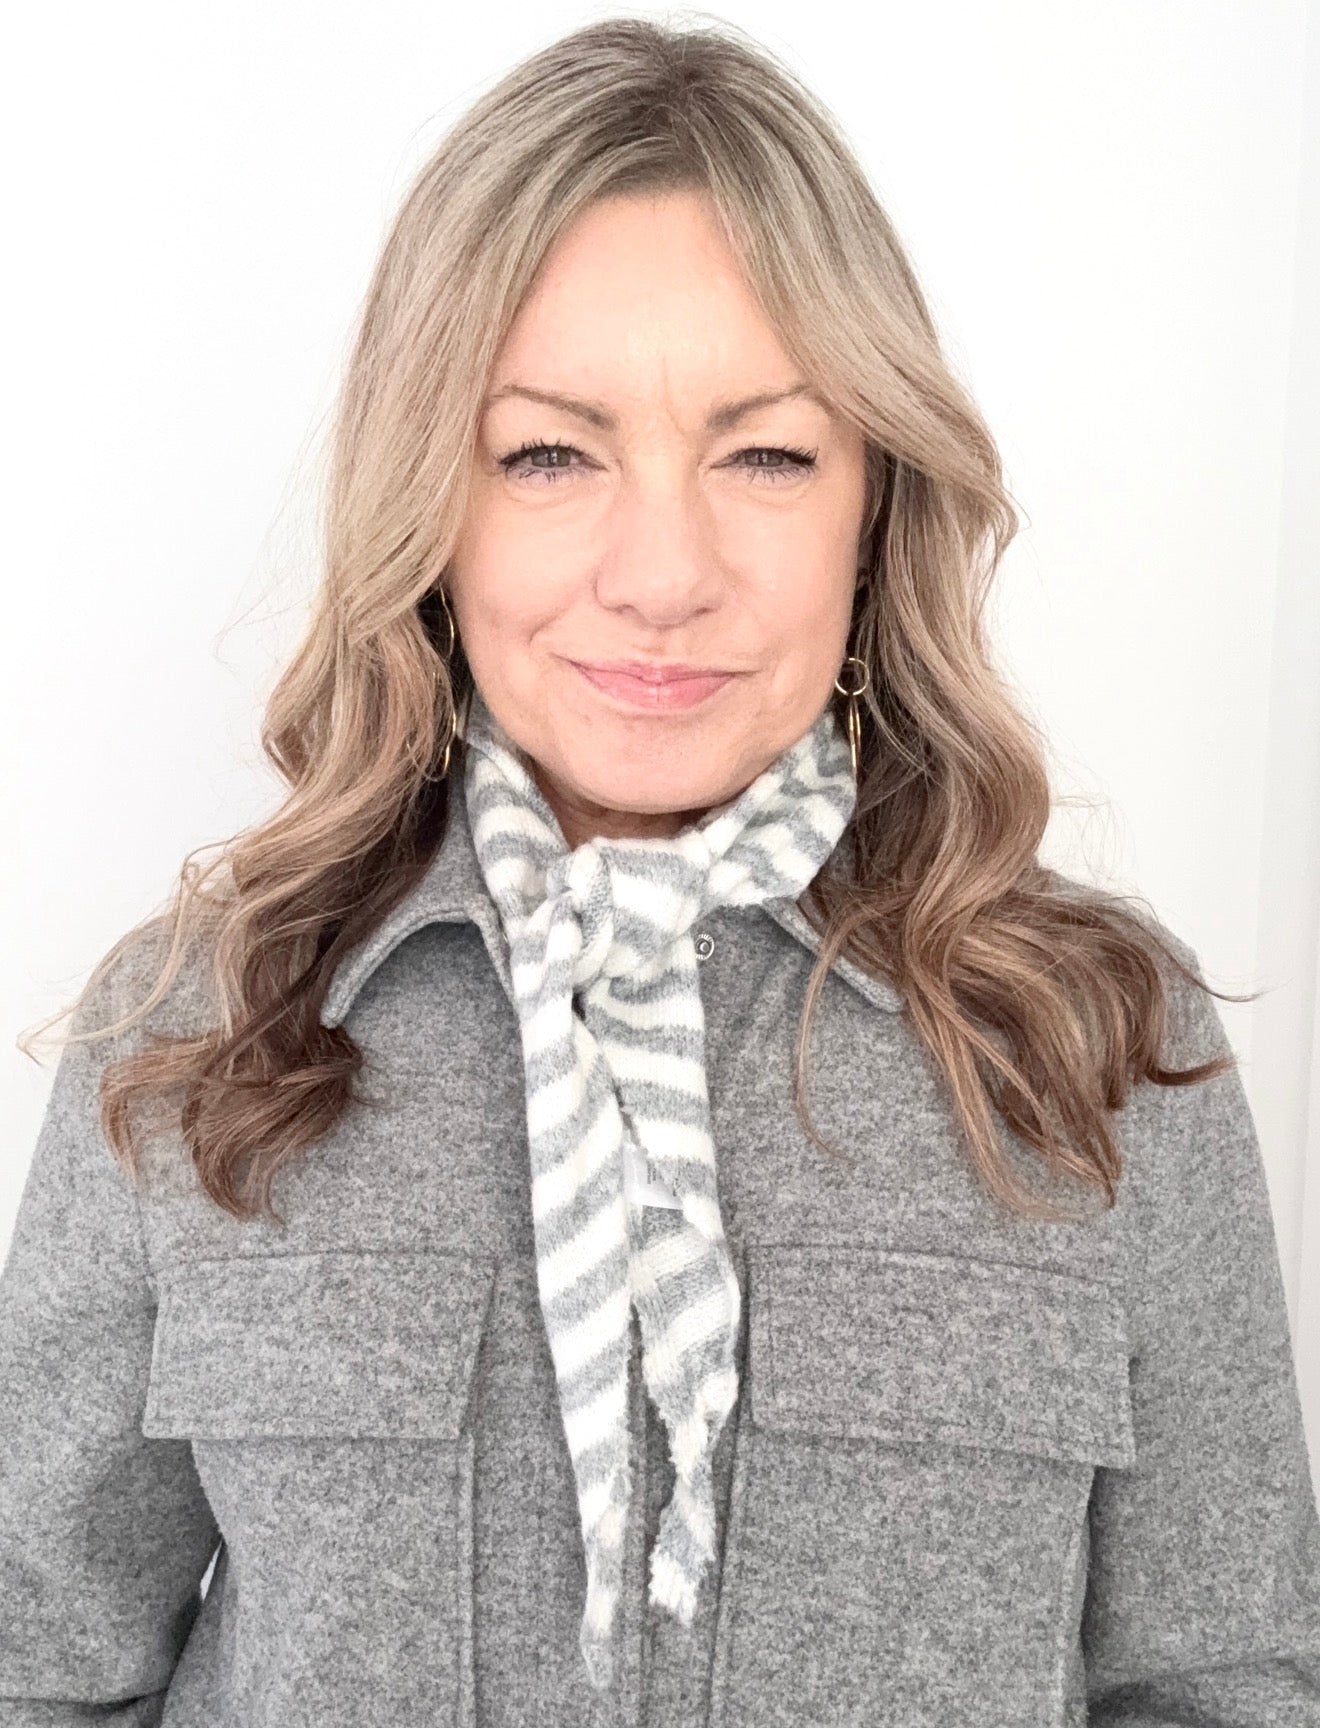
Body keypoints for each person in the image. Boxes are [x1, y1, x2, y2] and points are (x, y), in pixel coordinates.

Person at [4, 15, 1319, 1726]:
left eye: (766, 453)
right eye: (549, 452)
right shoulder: (190, 1037)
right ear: (432, 500)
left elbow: (1223, 1684)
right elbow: (37, 1667)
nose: (662, 572)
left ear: (874, 504)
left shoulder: (1098, 1046)